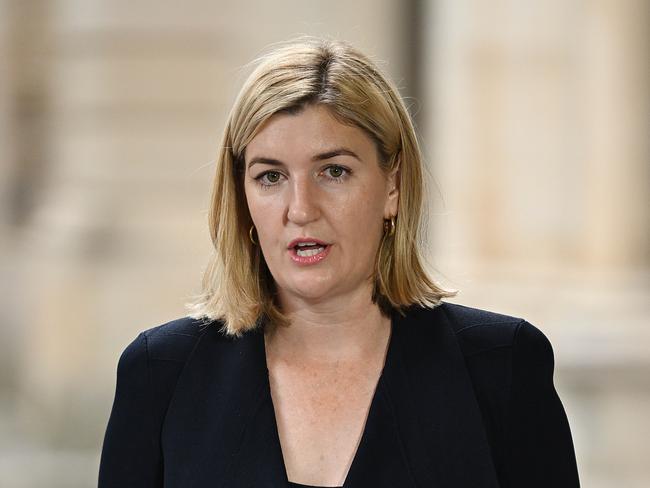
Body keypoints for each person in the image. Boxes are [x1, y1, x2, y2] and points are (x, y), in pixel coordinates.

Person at [98, 37, 580, 488]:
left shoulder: (502, 367)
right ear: (242, 198)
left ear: (392, 186)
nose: (301, 209)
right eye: (270, 177)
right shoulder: (160, 373)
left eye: (334, 171)